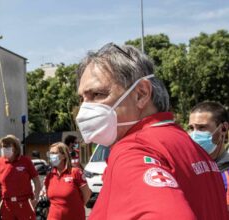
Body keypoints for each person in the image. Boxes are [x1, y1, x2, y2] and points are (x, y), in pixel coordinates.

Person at [76, 42, 228, 219]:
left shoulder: (134, 150)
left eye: (98, 94)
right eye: (82, 99)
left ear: (141, 94)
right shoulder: (193, 149)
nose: (84, 109)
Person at [188, 101, 229, 206]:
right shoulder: (186, 169)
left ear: (223, 128)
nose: (194, 135)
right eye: (191, 128)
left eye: (202, 128)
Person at [0, 134, 41, 220]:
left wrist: (36, 198)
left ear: (15, 148)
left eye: (7, 146)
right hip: (7, 205)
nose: (4, 149)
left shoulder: (26, 161)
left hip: (25, 203)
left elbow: (37, 181)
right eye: (2, 146)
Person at [44, 142, 91, 220]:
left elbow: (87, 194)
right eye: (50, 153)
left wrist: (77, 206)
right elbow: (49, 197)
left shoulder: (75, 172)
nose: (51, 156)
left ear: (63, 156)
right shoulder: (50, 175)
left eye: (54, 153)